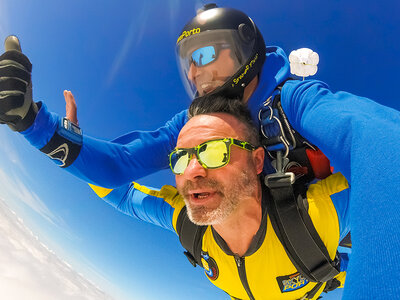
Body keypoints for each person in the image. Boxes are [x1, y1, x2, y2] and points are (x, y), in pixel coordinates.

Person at [1, 4, 400, 299]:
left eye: (205, 54)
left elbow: (380, 144)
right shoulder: (190, 135)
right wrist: (38, 127)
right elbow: (117, 172)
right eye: (187, 64)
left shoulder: (293, 100)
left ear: (244, 50)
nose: (194, 72)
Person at [95, 96, 348, 300]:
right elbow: (123, 195)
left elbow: (383, 176)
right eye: (181, 158)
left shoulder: (319, 211)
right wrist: (73, 148)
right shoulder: (188, 223)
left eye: (216, 152)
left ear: (257, 160)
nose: (192, 171)